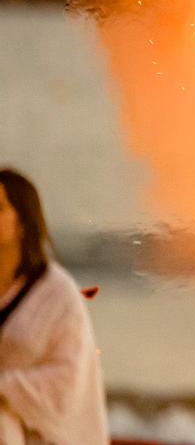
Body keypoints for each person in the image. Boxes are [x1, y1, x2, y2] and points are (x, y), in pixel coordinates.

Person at [0, 170, 107, 445]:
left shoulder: (58, 293)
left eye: (0, 207)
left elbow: (69, 380)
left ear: (23, 221)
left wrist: (5, 389)